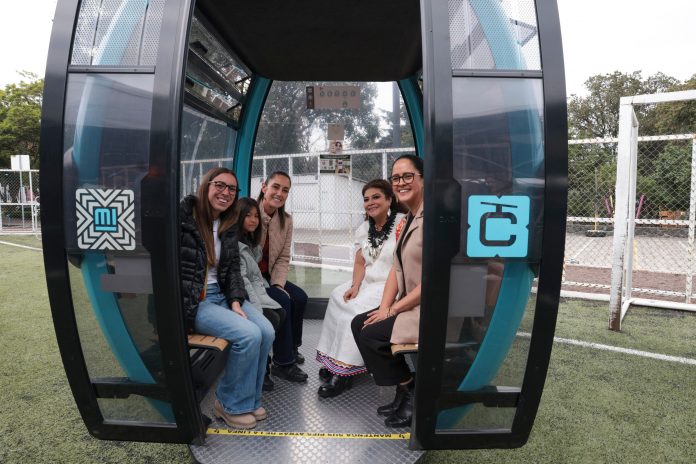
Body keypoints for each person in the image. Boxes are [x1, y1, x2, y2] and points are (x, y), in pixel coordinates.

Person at [180, 167, 275, 430]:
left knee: (266, 331)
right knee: (248, 335)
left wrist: (235, 301)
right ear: (206, 185)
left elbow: (232, 270)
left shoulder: (227, 224)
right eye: (220, 185)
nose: (226, 192)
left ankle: (250, 400)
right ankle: (229, 404)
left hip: (223, 296)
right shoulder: (184, 219)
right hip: (196, 301)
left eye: (232, 189)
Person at [351, 155, 424, 428]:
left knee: (371, 335)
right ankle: (404, 389)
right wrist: (384, 308)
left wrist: (392, 310)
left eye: (408, 176)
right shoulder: (408, 219)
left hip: (428, 307)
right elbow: (396, 267)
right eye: (396, 178)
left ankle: (412, 391)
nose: (401, 182)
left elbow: (433, 282)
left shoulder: (432, 219)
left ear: (424, 179)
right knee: (359, 323)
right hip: (409, 303)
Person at [315, 179, 405, 398]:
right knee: (338, 296)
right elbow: (359, 263)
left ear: (389, 199)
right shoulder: (363, 229)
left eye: (376, 197)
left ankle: (344, 372)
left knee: (353, 310)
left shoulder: (402, 222)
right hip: (368, 282)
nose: (370, 202)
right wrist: (355, 285)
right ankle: (333, 361)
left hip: (390, 284)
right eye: (366, 199)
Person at [257, 171, 309, 382]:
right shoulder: (250, 213)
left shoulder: (286, 220)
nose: (279, 193)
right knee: (283, 301)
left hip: (270, 275)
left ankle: (292, 347)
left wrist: (278, 284)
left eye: (285, 190)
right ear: (264, 187)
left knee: (300, 297)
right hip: (252, 277)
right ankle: (283, 362)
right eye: (275, 187)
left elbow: (283, 257)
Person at [230, 197, 287, 392]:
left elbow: (254, 275)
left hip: (253, 290)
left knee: (280, 312)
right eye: (248, 216)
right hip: (240, 296)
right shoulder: (235, 244)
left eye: (256, 216)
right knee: (270, 318)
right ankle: (259, 370)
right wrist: (258, 309)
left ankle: (267, 363)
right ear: (238, 217)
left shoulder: (249, 241)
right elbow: (243, 280)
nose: (254, 220)